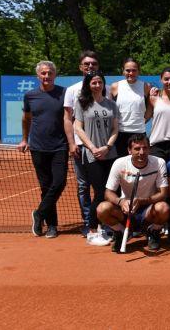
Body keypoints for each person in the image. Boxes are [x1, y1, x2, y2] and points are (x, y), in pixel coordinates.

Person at [18, 61, 68, 239]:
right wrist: (25, 139)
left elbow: (69, 120)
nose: (47, 76)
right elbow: (26, 119)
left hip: (60, 146)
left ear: (55, 75)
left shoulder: (64, 93)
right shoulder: (30, 96)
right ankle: (52, 225)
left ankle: (39, 214)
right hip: (38, 147)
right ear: (38, 76)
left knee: (60, 182)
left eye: (50, 73)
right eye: (43, 73)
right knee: (46, 187)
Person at [97, 134, 170, 252]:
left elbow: (163, 193)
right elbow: (108, 193)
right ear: (129, 150)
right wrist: (121, 202)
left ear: (149, 149)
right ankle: (120, 232)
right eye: (137, 149)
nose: (141, 152)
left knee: (163, 208)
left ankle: (152, 231)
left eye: (145, 148)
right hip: (125, 210)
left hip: (148, 210)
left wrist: (142, 201)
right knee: (102, 209)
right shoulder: (119, 163)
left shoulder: (159, 162)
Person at [74, 71, 120, 246]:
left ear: (103, 84)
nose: (97, 85)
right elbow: (78, 128)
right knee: (100, 193)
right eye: (93, 82)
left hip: (110, 154)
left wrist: (107, 147)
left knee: (112, 193)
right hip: (92, 155)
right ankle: (92, 231)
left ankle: (106, 228)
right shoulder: (82, 104)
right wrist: (92, 147)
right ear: (88, 85)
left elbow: (115, 129)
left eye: (99, 82)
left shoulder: (111, 104)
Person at [63, 50, 99, 236]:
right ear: (81, 67)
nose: (90, 67)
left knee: (102, 186)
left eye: (93, 64)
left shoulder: (104, 88)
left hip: (100, 148)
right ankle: (87, 222)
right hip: (80, 146)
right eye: (87, 64)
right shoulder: (72, 90)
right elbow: (68, 119)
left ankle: (101, 221)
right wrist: (71, 142)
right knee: (84, 185)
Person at [110, 57, 151, 157]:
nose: (131, 73)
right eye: (128, 70)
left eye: (134, 70)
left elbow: (150, 108)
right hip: (120, 133)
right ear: (123, 71)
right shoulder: (115, 86)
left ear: (138, 71)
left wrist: (143, 120)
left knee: (139, 162)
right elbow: (110, 109)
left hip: (139, 132)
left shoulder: (146, 86)